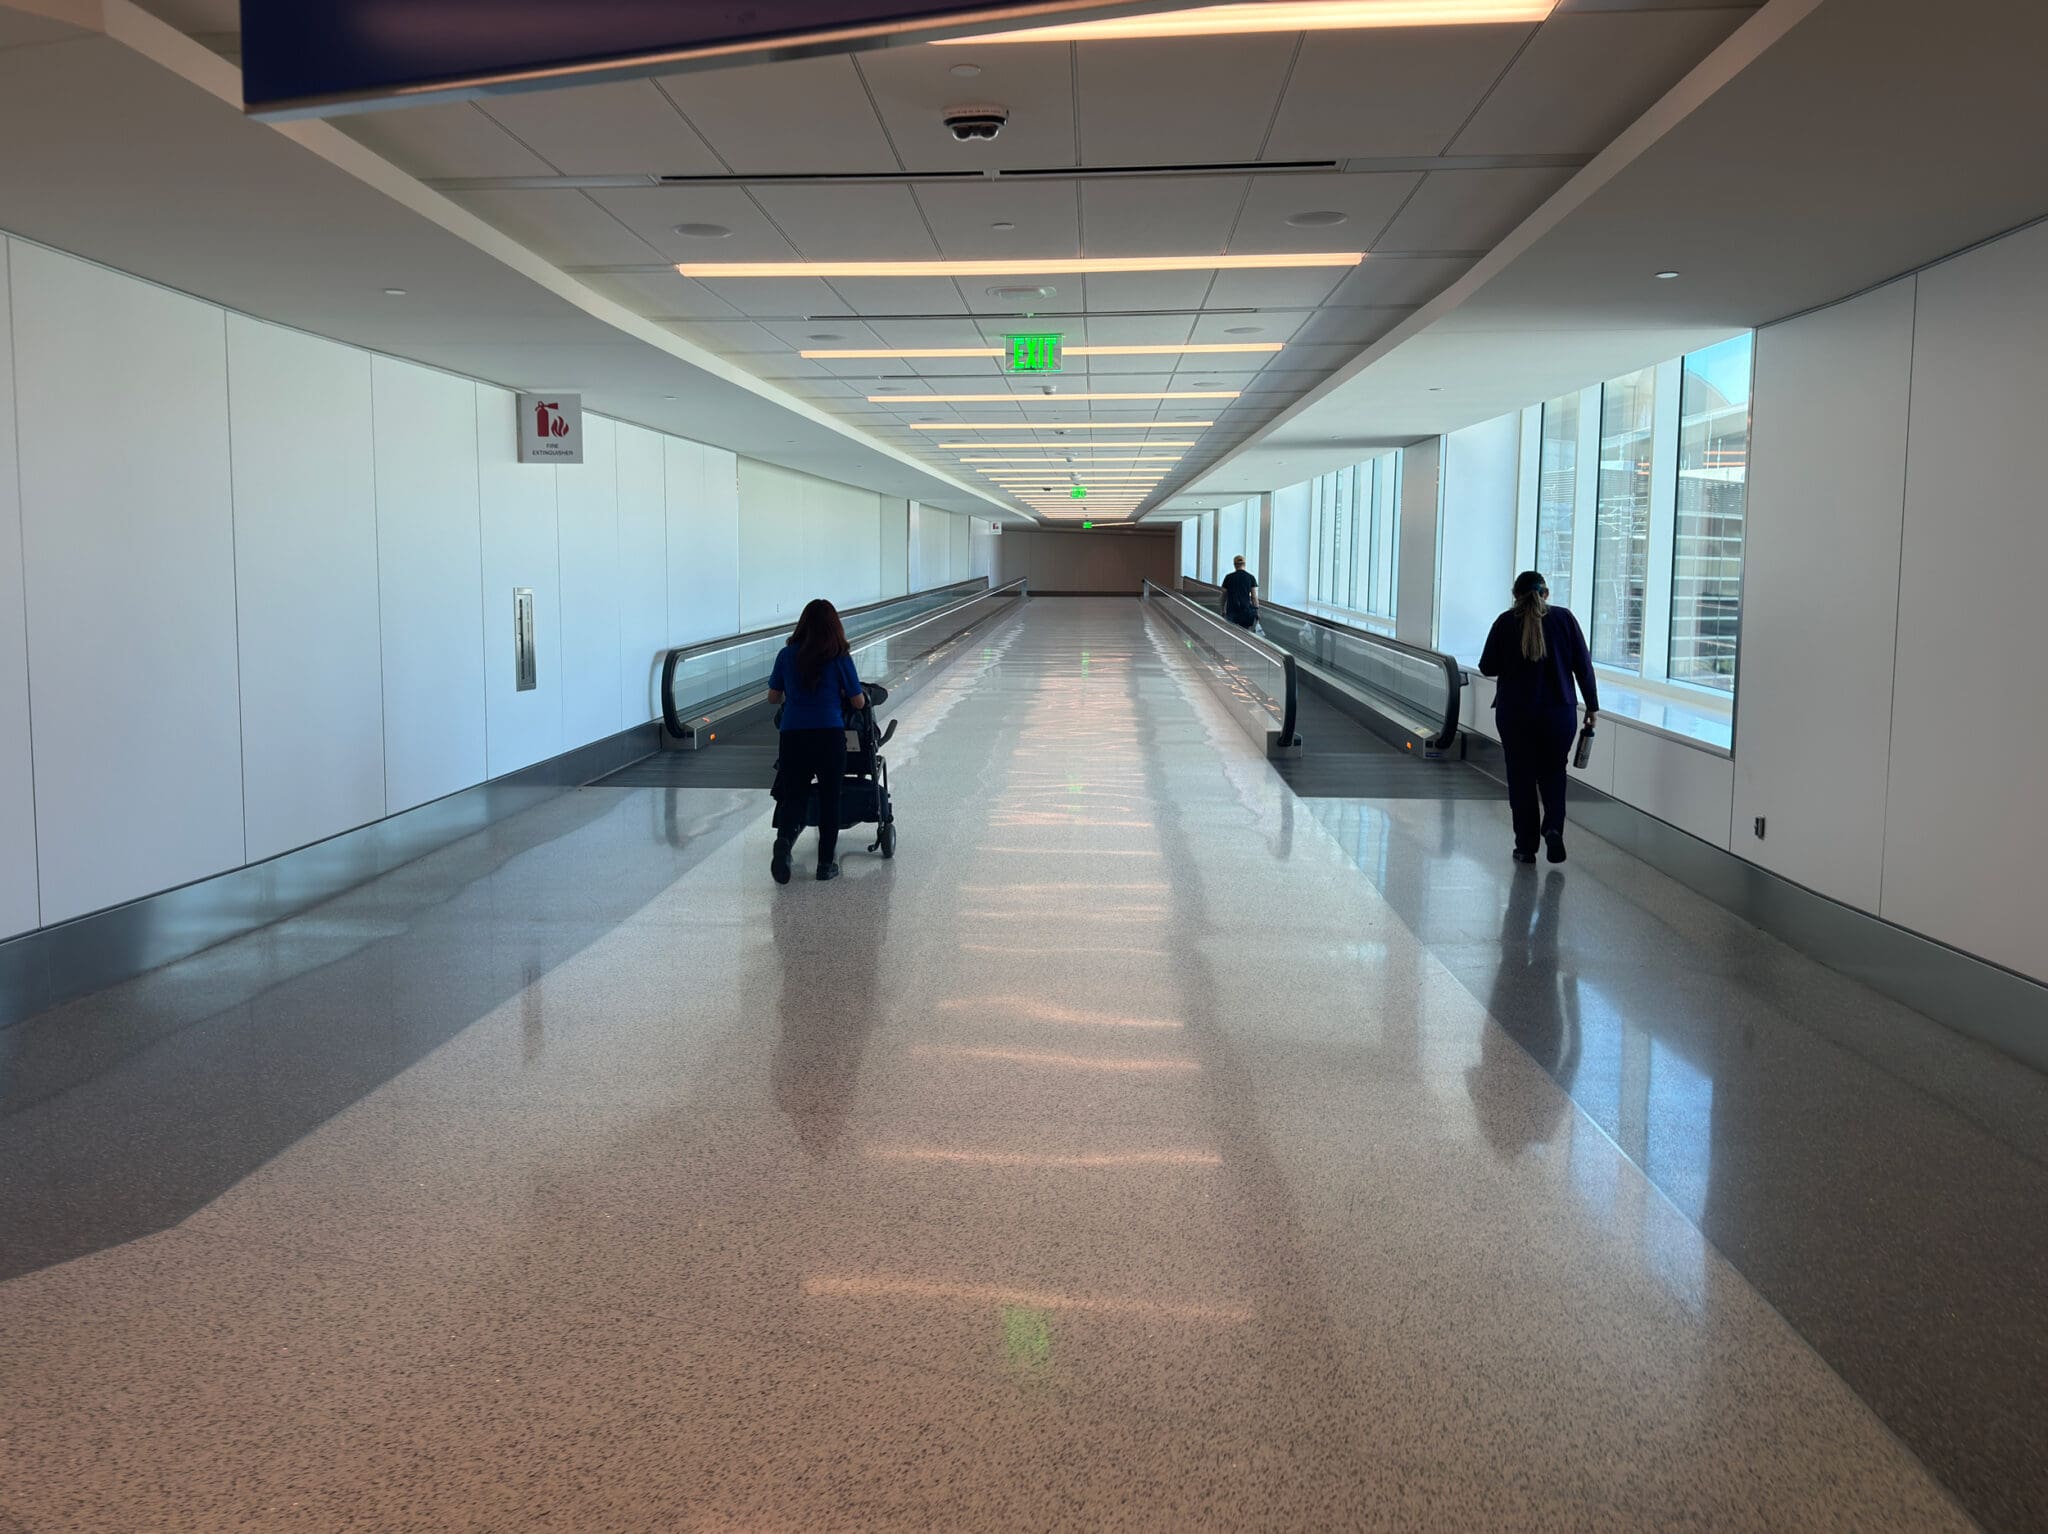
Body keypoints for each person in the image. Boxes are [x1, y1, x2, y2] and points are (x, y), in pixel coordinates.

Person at [1478, 570, 1598, 865]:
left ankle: (1526, 847)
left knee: (1521, 778)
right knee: (1554, 772)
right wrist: (1592, 707)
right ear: (1546, 593)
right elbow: (1583, 667)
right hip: (1559, 712)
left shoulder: (1505, 622)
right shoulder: (1565, 619)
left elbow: (1487, 666)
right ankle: (1553, 828)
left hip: (1516, 713)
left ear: (1515, 595)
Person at [767, 599, 867, 885]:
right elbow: (858, 702)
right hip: (829, 735)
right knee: (830, 798)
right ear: (834, 626)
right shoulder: (839, 657)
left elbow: (773, 697)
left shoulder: (786, 655)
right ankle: (825, 864)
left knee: (794, 796)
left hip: (793, 735)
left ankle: (783, 845)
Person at [1219, 554, 1259, 629]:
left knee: (1231, 631)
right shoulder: (1251, 577)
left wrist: (1222, 609)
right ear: (1244, 564)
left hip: (1231, 610)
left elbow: (1224, 595)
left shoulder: (1228, 577)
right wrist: (1256, 611)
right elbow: (1254, 597)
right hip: (1246, 610)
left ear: (1234, 565)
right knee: (1244, 632)